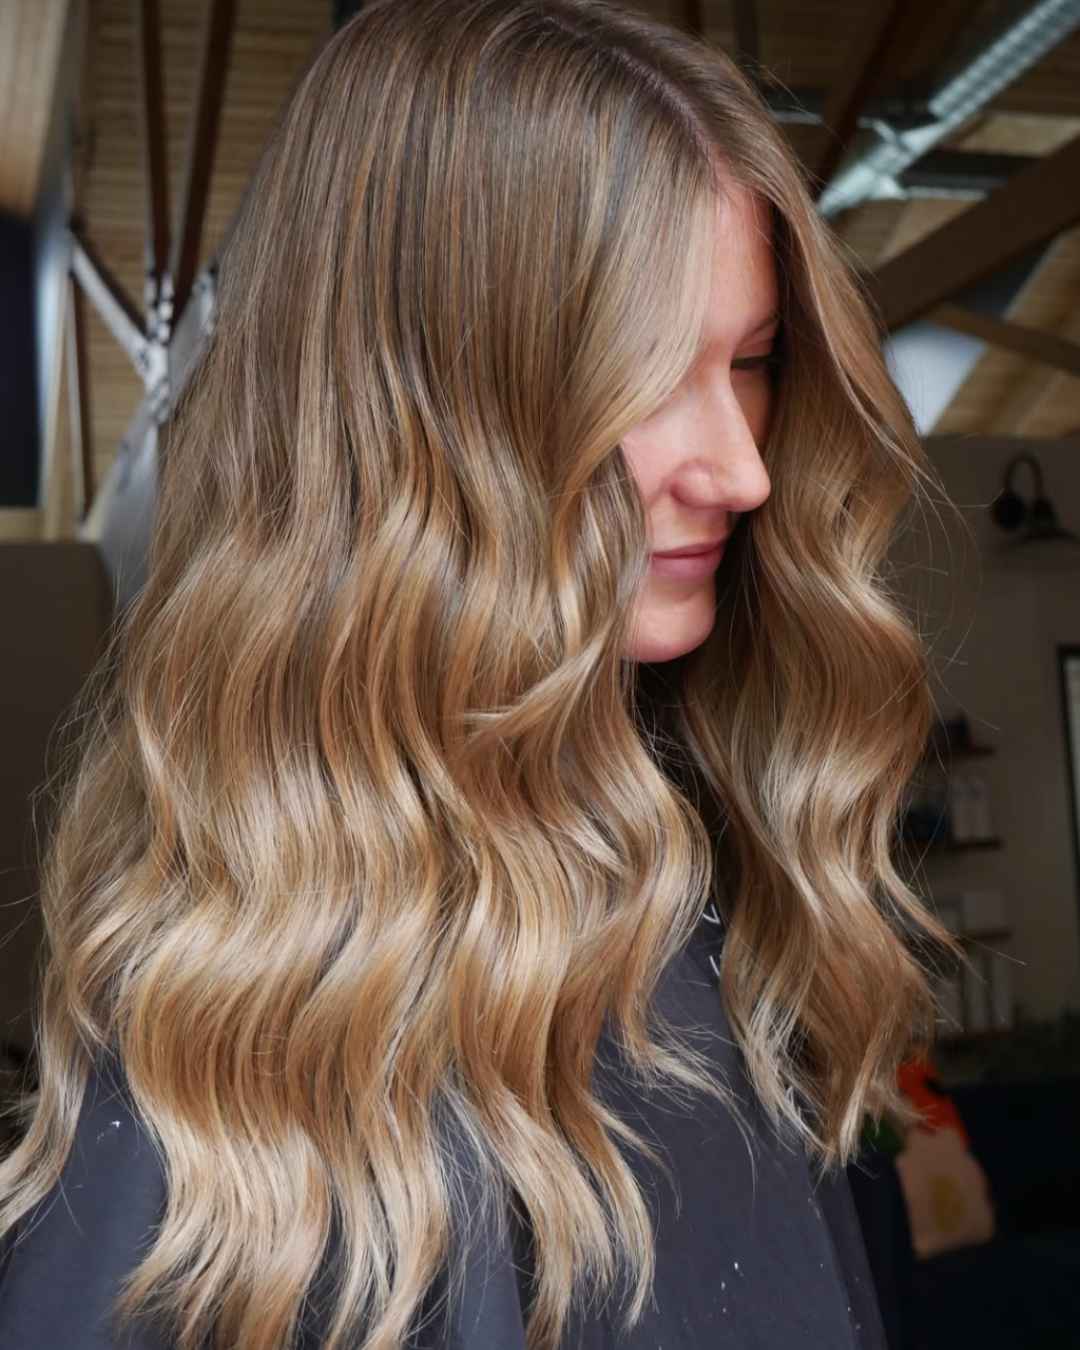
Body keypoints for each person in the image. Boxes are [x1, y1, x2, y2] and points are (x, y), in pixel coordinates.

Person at [0, 1, 961, 1346]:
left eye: (748, 364)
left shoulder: (724, 892)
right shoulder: (235, 1059)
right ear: (421, 426)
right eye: (641, 379)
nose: (741, 468)